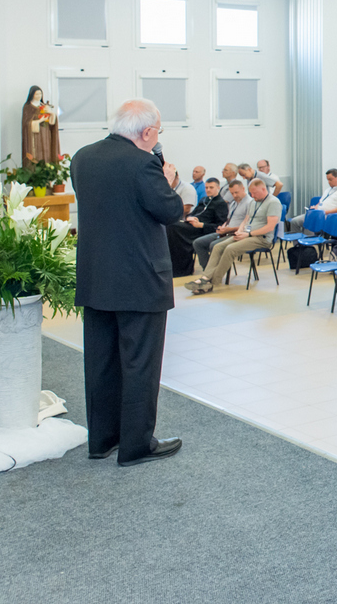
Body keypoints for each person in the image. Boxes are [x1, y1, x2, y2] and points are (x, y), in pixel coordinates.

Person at [71, 99, 185, 466]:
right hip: (140, 279)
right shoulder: (144, 164)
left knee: (101, 362)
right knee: (139, 363)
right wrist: (167, 182)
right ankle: (136, 445)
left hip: (96, 275)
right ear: (148, 132)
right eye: (158, 133)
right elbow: (169, 211)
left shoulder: (82, 158)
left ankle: (102, 440)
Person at [185, 178, 280, 294]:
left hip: (261, 238)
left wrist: (248, 234)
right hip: (246, 235)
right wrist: (240, 231)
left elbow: (270, 227)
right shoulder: (254, 202)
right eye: (251, 193)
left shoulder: (273, 202)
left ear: (263, 189)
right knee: (218, 246)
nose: (252, 195)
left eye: (255, 193)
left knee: (230, 249)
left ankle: (211, 282)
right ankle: (204, 278)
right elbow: (246, 220)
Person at [166, 178, 228, 276]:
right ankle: (175, 267)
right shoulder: (204, 200)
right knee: (170, 225)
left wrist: (201, 225)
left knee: (173, 228)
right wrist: (189, 218)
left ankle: (182, 269)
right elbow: (192, 214)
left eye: (211, 187)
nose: (208, 190)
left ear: (218, 188)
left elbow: (219, 227)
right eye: (206, 187)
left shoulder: (221, 204)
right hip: (191, 227)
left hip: (203, 230)